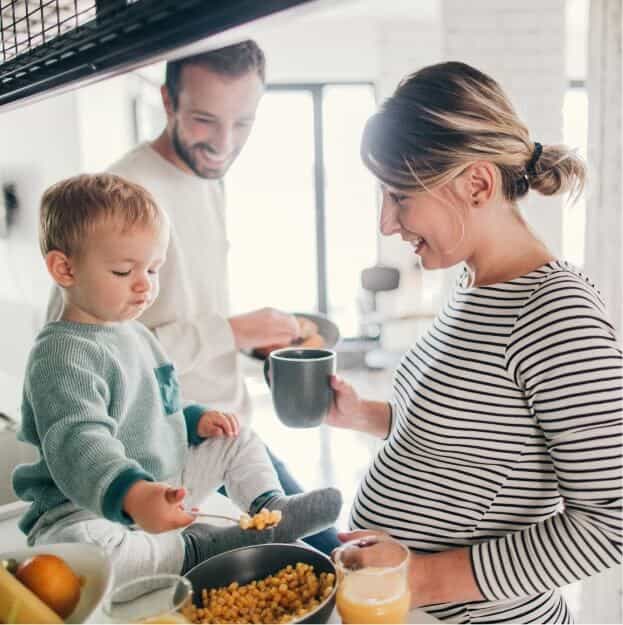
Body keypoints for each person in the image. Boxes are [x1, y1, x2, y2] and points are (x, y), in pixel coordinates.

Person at [327, 61, 622, 623]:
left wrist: (420, 579)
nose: (387, 223)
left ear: (478, 184)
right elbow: (472, 439)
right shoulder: (471, 284)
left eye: (400, 197)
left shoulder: (557, 314)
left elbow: (613, 521)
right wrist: (363, 414)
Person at [46, 40, 341, 554]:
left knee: (328, 556)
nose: (224, 143)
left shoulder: (205, 178)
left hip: (223, 428)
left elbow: (175, 312)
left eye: (243, 123)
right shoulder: (123, 193)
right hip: (167, 456)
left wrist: (249, 344)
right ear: (167, 101)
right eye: (205, 120)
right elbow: (85, 349)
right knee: (313, 564)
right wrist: (231, 331)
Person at [13, 174, 341, 585]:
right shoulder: (61, 356)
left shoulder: (135, 334)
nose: (144, 286)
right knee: (89, 552)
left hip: (161, 483)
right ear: (64, 268)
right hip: (85, 507)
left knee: (236, 437)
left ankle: (269, 508)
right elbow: (79, 444)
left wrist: (193, 420)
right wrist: (133, 495)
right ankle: (196, 549)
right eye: (122, 271)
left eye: (153, 269)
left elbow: (157, 405)